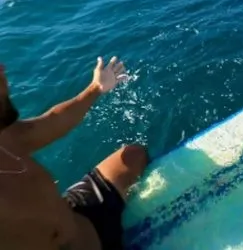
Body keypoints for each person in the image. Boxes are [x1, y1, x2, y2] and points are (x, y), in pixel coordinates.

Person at [0, 57, 148, 250]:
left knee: (133, 156)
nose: (3, 67)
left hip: (80, 220)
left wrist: (96, 88)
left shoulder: (5, 135)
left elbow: (52, 121)